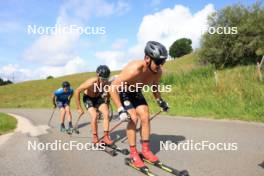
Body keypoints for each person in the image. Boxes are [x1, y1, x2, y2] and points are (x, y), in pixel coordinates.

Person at [109, 41, 169, 168]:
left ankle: (146, 151)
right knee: (133, 118)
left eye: (162, 62)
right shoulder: (134, 69)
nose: (160, 66)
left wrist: (160, 101)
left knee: (145, 117)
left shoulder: (158, 72)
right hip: (123, 90)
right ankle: (133, 153)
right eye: (158, 62)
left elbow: (155, 86)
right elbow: (112, 88)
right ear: (147, 58)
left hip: (135, 91)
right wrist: (120, 109)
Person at [75, 65, 113, 145]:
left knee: (106, 113)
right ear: (98, 75)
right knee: (94, 115)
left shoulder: (107, 83)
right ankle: (95, 137)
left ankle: (106, 136)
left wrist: (107, 102)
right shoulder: (91, 82)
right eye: (102, 79)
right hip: (88, 98)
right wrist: (79, 107)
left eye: (106, 79)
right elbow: (77, 91)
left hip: (98, 98)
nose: (104, 81)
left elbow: (109, 92)